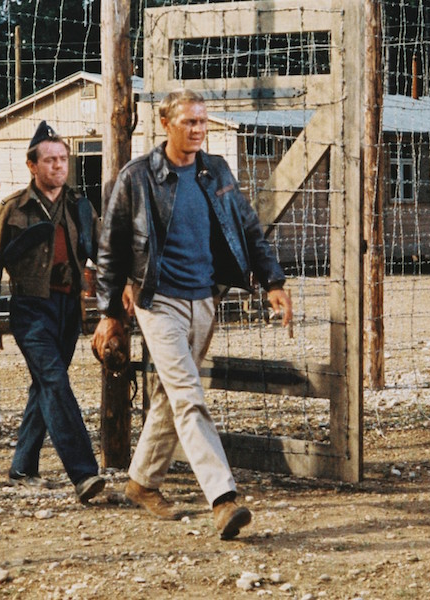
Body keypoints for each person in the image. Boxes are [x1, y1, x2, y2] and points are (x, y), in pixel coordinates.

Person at [93, 88, 293, 539]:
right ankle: (223, 499)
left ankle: (142, 482)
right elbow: (110, 249)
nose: (199, 130)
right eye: (190, 122)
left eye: (203, 122)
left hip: (203, 299)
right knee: (189, 396)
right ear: (166, 123)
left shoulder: (216, 171)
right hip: (157, 300)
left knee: (171, 392)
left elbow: (247, 226)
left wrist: (274, 282)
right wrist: (109, 313)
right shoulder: (137, 177)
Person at [0, 121, 105, 504]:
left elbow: (102, 252)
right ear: (32, 166)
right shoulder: (13, 208)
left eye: (63, 159)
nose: (58, 166)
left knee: (44, 386)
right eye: (50, 160)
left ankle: (22, 466)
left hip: (69, 309)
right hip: (30, 309)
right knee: (55, 382)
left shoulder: (81, 207)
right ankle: (84, 474)